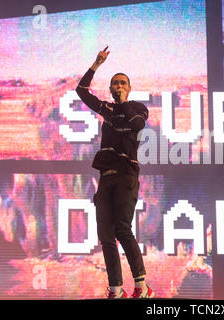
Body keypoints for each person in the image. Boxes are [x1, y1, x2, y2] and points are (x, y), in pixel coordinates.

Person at [75, 46, 154, 299]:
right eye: (114, 84)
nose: (118, 86)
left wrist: (123, 103)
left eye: (122, 83)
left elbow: (137, 126)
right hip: (106, 178)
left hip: (126, 175)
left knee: (122, 228)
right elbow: (81, 91)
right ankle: (116, 289)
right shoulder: (105, 110)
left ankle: (141, 285)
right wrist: (96, 64)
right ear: (109, 89)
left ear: (128, 88)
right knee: (106, 236)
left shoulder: (138, 108)